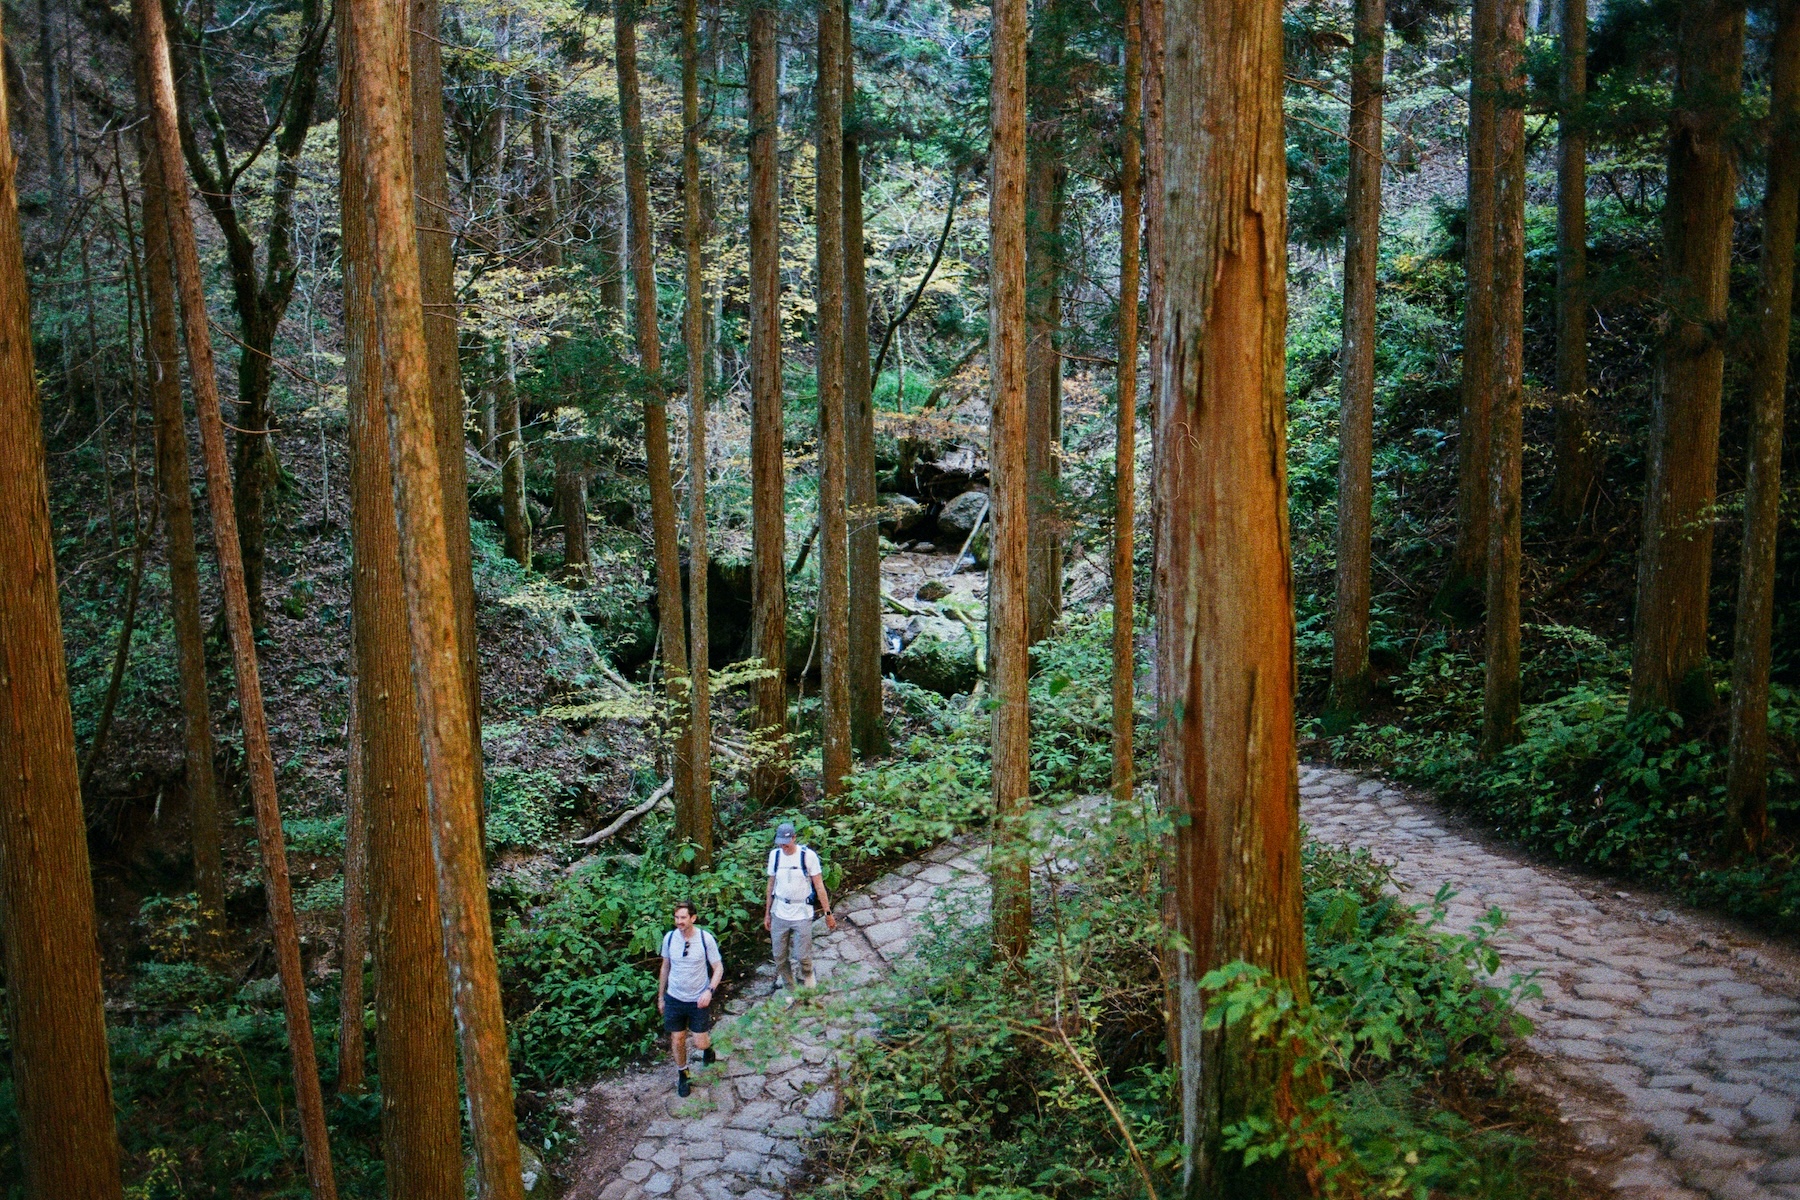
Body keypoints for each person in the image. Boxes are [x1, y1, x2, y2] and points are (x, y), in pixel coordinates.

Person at [656, 900, 723, 1098]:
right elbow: (665, 967)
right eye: (676, 917)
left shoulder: (705, 939)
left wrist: (710, 990)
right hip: (675, 998)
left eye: (683, 917)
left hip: (698, 999)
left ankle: (708, 1049)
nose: (679, 921)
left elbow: (718, 967)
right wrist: (661, 997)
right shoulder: (669, 938)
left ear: (693, 918)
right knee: (677, 1038)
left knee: (699, 1042)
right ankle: (683, 1074)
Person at [764, 822, 837, 995]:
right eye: (780, 842)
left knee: (802, 954)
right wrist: (767, 913)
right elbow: (770, 885)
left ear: (794, 838)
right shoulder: (775, 856)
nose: (783, 846)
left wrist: (828, 914)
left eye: (786, 842)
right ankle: (790, 987)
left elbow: (819, 886)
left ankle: (808, 973)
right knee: (779, 956)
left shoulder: (807, 856)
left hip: (802, 912)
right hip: (779, 911)